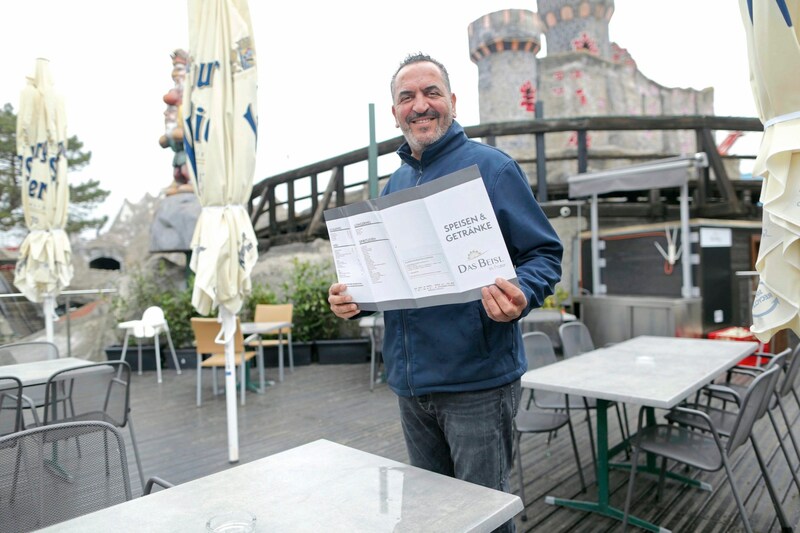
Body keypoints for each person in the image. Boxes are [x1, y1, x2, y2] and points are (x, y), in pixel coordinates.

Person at [328, 52, 562, 532]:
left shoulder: (492, 168)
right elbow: (399, 276)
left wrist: (522, 293)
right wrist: (355, 299)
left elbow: (544, 256)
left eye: (431, 92)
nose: (420, 105)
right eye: (406, 97)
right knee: (432, 518)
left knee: (485, 518)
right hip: (411, 385)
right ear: (395, 112)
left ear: (453, 101)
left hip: (477, 383)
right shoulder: (394, 182)